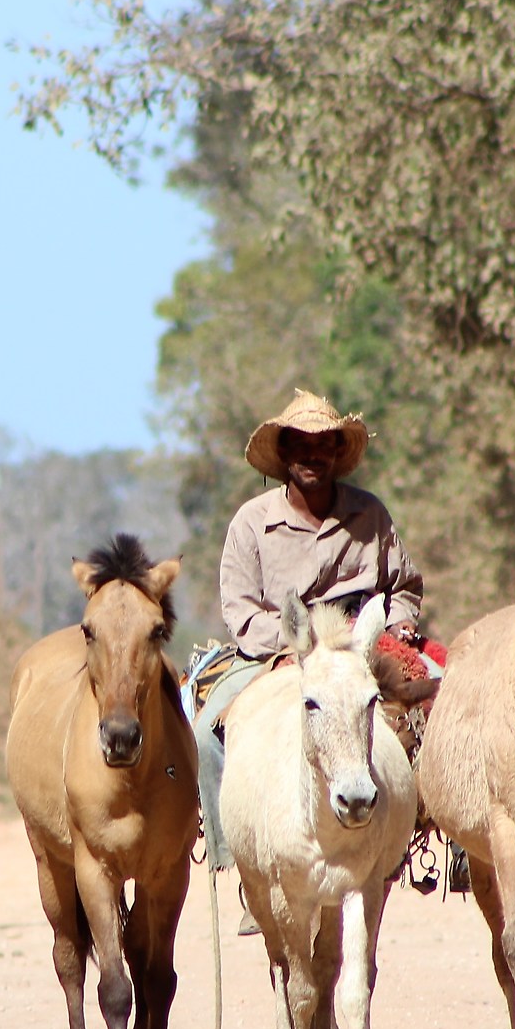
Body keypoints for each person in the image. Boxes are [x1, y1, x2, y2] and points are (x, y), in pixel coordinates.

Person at [187, 390, 424, 933]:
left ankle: (423, 846)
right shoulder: (250, 523)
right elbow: (240, 608)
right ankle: (244, 864)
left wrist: (396, 626)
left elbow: (404, 586)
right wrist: (292, 650)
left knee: (432, 703)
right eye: (301, 446)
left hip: (359, 649)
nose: (313, 456)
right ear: (284, 455)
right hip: (276, 652)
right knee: (206, 733)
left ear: (339, 453)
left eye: (325, 446)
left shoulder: (371, 513)